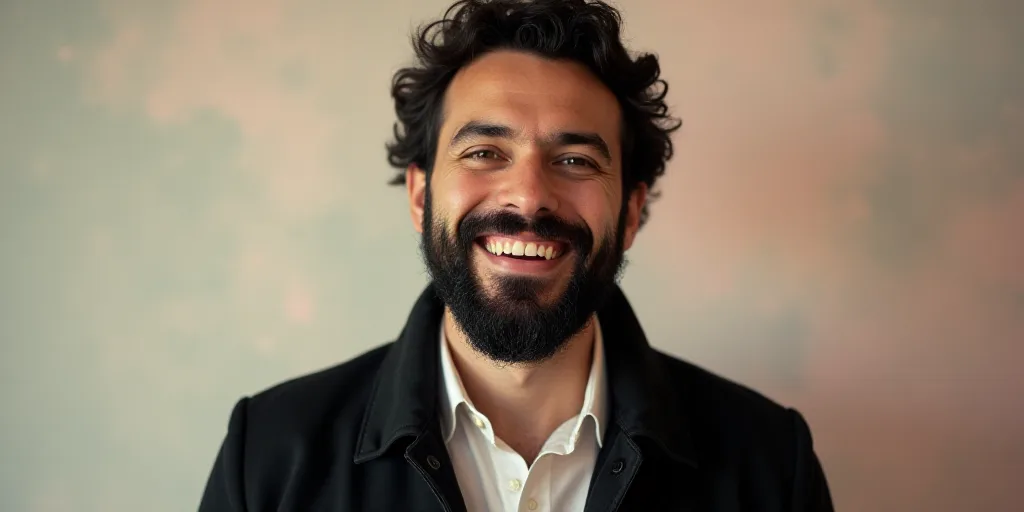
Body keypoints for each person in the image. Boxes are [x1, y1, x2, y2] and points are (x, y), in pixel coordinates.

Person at [198, 0, 834, 510]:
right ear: (420, 195)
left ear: (632, 212)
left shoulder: (772, 466)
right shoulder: (271, 458)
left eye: (575, 160)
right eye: (484, 153)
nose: (530, 196)